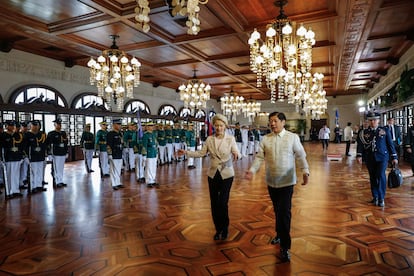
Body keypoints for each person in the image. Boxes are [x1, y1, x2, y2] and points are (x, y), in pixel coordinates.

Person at [244, 112, 310, 263]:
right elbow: (260, 157)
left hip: (287, 182)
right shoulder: (266, 139)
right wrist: (252, 170)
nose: (272, 124)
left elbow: (300, 155)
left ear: (283, 122)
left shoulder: (292, 137)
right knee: (277, 210)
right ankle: (279, 234)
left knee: (284, 213)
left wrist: (305, 171)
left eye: (275, 121)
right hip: (271, 182)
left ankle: (285, 247)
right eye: (270, 121)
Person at [177, 114, 240, 241]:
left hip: (227, 174)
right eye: (216, 125)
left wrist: (236, 153)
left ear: (225, 126)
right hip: (213, 174)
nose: (218, 128)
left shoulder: (230, 139)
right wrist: (186, 153)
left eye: (221, 125)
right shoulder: (209, 139)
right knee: (214, 203)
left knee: (223, 202)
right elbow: (201, 153)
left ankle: (225, 227)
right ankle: (218, 229)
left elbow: (237, 152)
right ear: (213, 126)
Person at [356, 111, 398, 207]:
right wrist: (359, 155)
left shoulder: (384, 130)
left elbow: (390, 144)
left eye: (375, 120)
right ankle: (375, 197)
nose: (373, 122)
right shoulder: (364, 132)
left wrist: (394, 157)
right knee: (373, 177)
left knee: (381, 175)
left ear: (378, 120)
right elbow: (360, 145)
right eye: (370, 120)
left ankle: (381, 197)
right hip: (370, 157)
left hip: (382, 157)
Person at [0, 120, 25, 198]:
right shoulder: (3, 135)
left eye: (13, 125)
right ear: (6, 126)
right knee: (9, 175)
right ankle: (9, 191)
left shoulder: (17, 135)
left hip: (16, 157)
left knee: (16, 174)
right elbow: (1, 148)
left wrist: (21, 157)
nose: (12, 127)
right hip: (8, 158)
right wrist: (2, 158)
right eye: (10, 125)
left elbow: (21, 147)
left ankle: (16, 190)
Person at [24, 120, 47, 193]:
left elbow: (44, 145)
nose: (35, 127)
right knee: (33, 172)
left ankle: (39, 185)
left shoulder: (41, 134)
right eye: (34, 125)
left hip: (40, 156)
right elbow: (24, 147)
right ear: (31, 126)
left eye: (37, 125)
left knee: (40, 171)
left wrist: (46, 154)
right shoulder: (27, 135)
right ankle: (33, 187)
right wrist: (26, 156)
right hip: (32, 157)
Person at [46, 118, 68, 188]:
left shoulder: (63, 133)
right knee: (56, 168)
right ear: (54, 125)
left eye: (60, 124)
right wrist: (49, 153)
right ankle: (57, 181)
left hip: (62, 152)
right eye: (58, 124)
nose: (59, 126)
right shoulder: (51, 134)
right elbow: (48, 144)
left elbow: (65, 143)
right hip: (56, 153)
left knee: (61, 168)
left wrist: (66, 151)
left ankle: (60, 180)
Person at [106, 118, 125, 191]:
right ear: (114, 125)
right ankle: (114, 184)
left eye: (120, 124)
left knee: (118, 169)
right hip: (113, 153)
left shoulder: (120, 133)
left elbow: (121, 143)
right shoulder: (110, 134)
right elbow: (108, 145)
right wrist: (110, 154)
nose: (120, 126)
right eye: (118, 124)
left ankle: (118, 182)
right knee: (113, 169)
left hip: (119, 152)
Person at [142, 122, 158, 187]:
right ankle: (149, 181)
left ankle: (153, 180)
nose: (152, 127)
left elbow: (156, 143)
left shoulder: (153, 134)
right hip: (149, 153)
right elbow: (144, 145)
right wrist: (144, 155)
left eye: (152, 126)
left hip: (154, 152)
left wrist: (156, 152)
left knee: (153, 167)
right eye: (150, 126)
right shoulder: (146, 135)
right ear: (147, 127)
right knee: (149, 167)